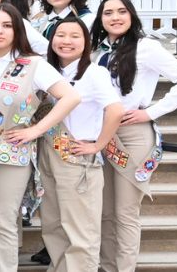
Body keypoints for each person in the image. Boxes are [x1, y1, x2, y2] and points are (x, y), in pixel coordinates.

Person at [0, 4, 83, 272]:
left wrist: (36, 130)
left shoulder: (33, 64)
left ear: (17, 30)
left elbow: (71, 97)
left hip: (10, 150)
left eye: (7, 25)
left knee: (4, 221)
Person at [94, 0, 177, 272]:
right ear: (100, 19)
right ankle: (106, 267)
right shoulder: (96, 50)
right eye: (108, 13)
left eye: (121, 11)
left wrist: (150, 112)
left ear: (132, 15)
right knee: (103, 212)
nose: (115, 17)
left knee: (126, 211)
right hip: (101, 134)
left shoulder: (146, 47)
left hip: (132, 134)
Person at [34, 17, 122, 272]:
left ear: (87, 42)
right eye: (60, 35)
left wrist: (97, 146)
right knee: (53, 226)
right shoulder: (49, 71)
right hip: (48, 153)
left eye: (75, 36)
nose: (66, 41)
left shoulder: (95, 73)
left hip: (77, 155)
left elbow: (115, 110)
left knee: (81, 231)